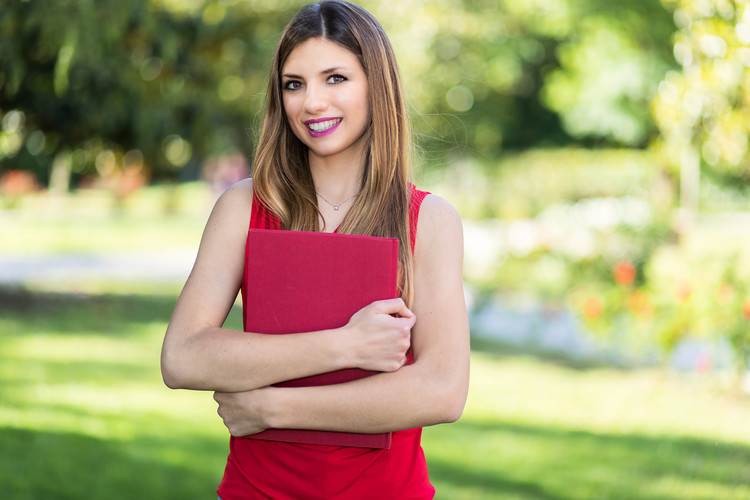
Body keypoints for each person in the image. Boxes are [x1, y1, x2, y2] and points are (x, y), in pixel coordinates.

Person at [160, 1, 470, 498]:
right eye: (294, 84)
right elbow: (183, 356)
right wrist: (345, 345)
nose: (312, 103)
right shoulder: (244, 206)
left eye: (335, 79)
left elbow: (442, 390)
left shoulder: (428, 220)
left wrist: (272, 408)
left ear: (377, 85)